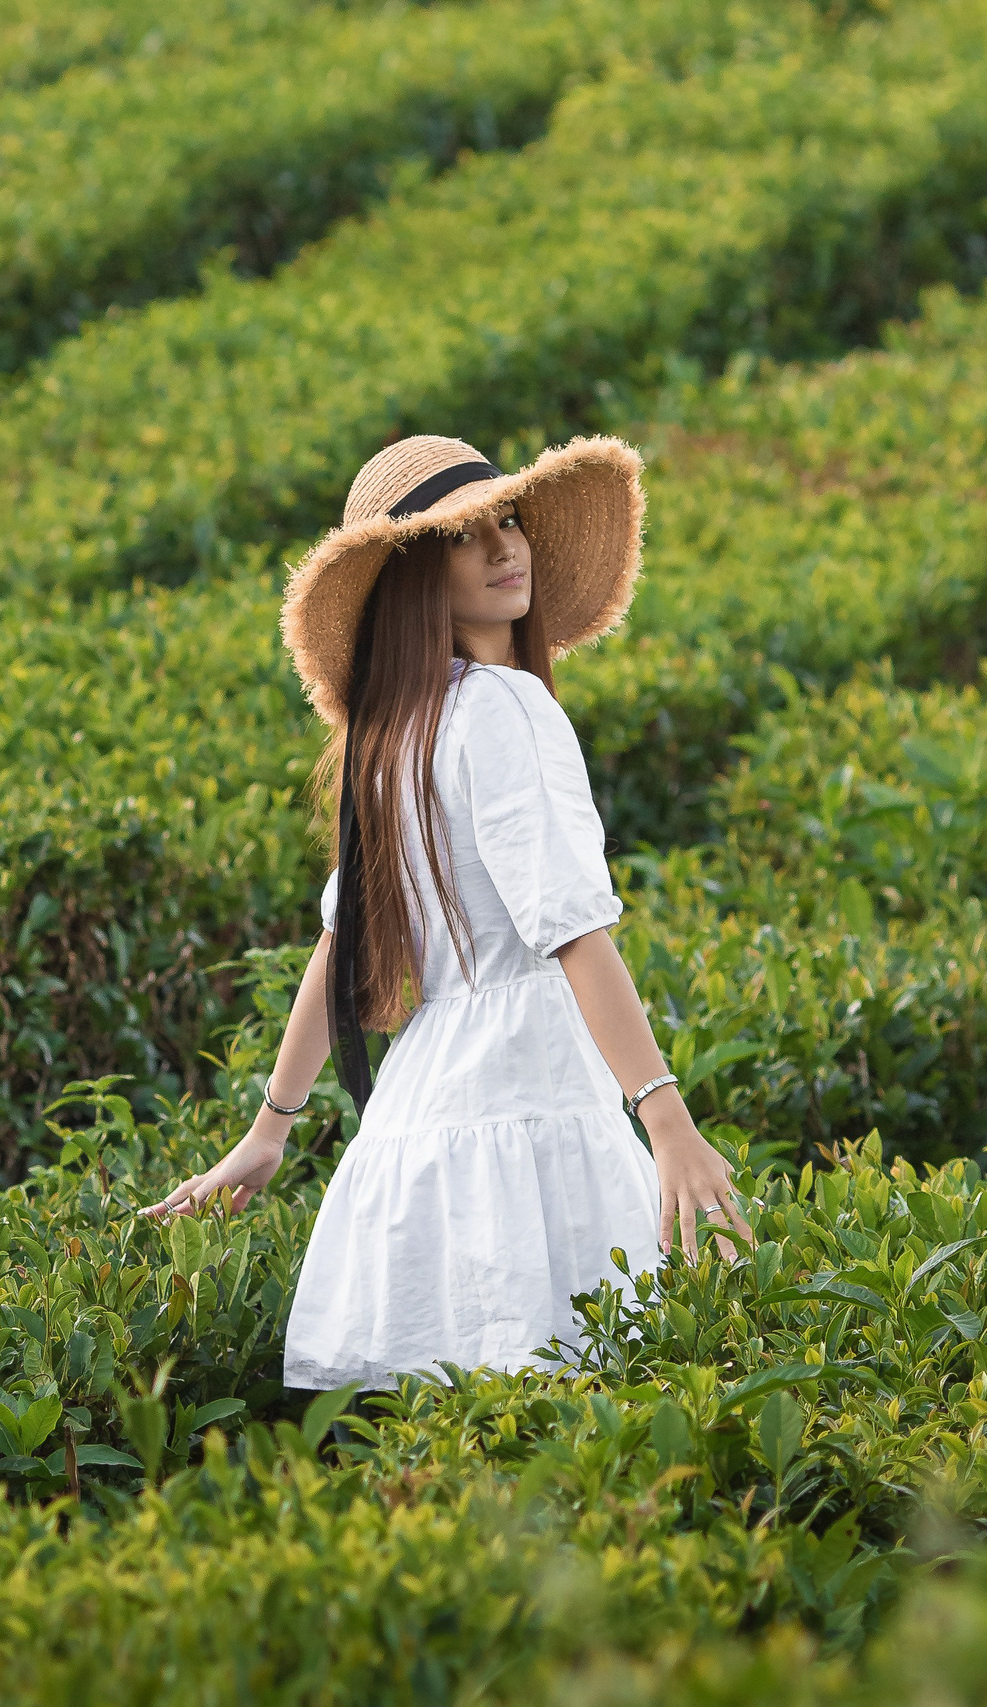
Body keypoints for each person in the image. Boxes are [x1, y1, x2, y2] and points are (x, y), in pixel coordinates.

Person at [143, 433, 752, 1392]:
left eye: (506, 520)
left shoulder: (393, 736)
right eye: (465, 536)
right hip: (528, 1093)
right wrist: (665, 1115)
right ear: (418, 575)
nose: (504, 546)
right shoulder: (507, 710)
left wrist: (272, 1128)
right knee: (575, 1420)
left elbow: (339, 946)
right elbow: (570, 930)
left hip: (414, 1130)